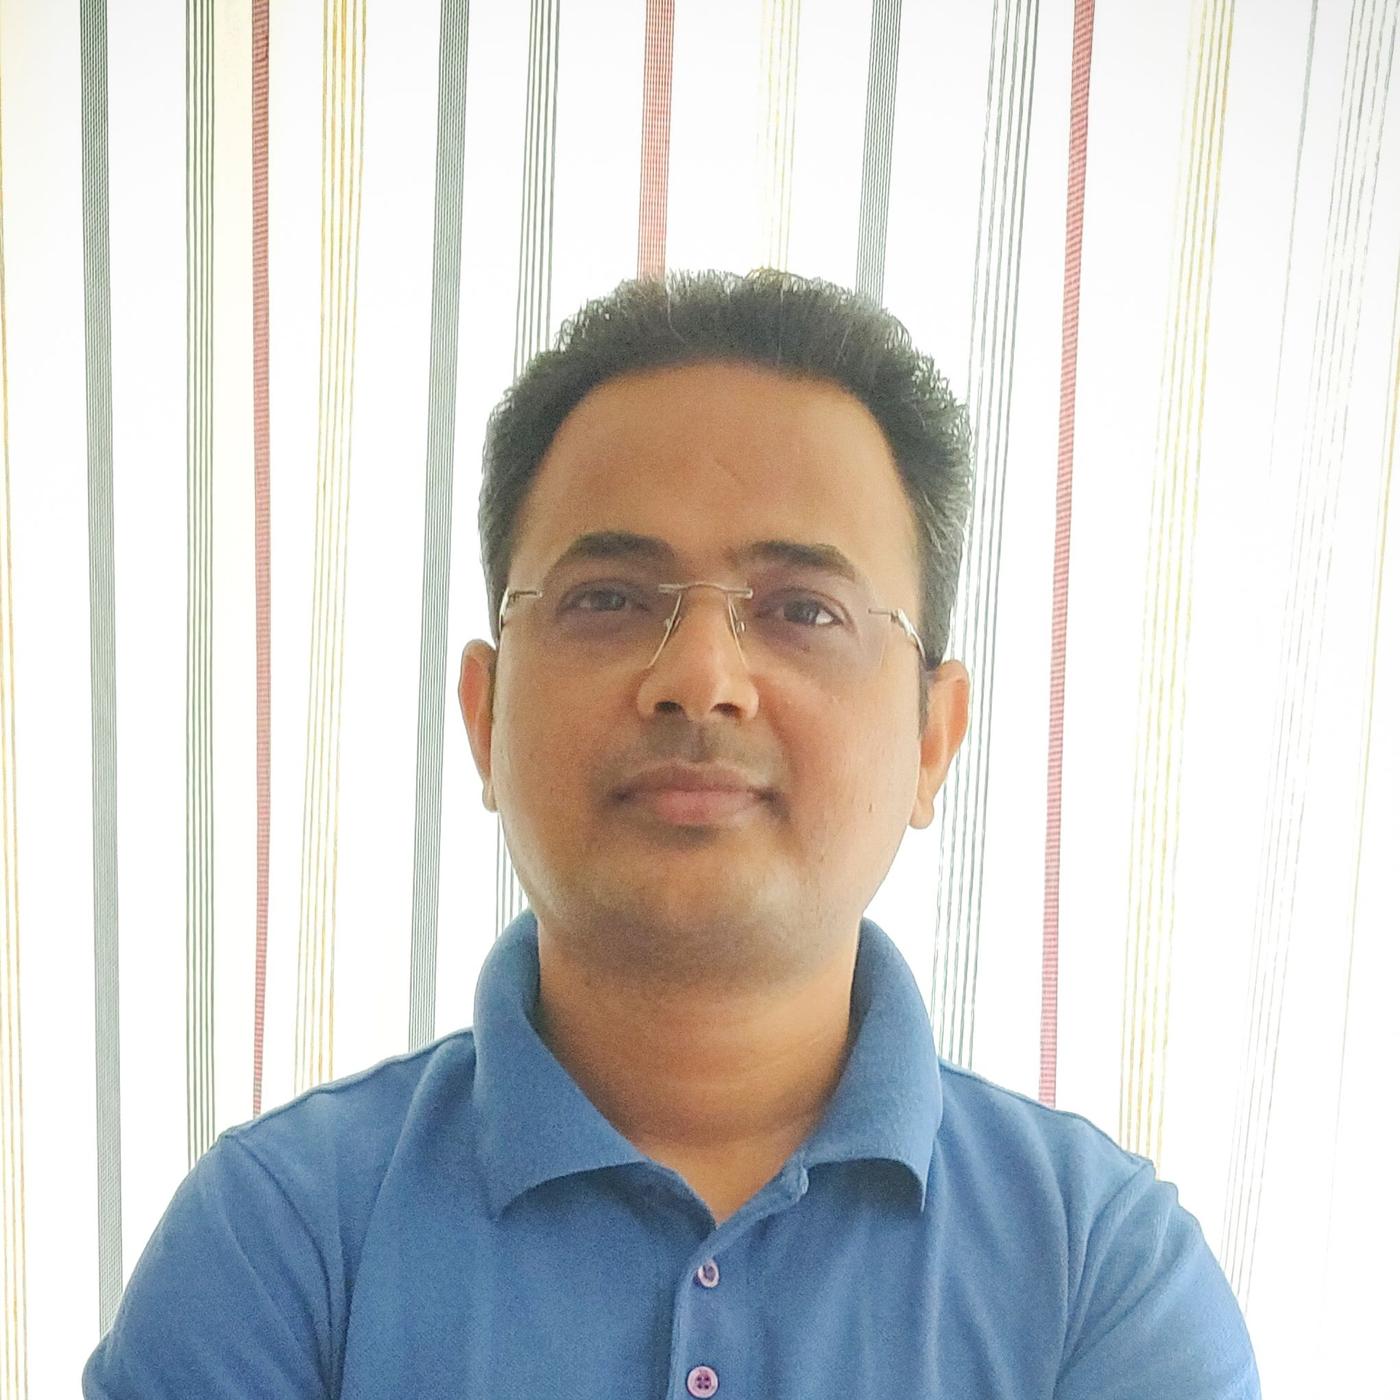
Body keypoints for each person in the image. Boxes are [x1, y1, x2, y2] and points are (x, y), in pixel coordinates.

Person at [83, 269, 1260, 1397]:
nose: (699, 679)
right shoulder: (281, 1238)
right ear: (485, 716)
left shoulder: (1097, 1269)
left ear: (930, 740)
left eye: (801, 609)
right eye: (609, 599)